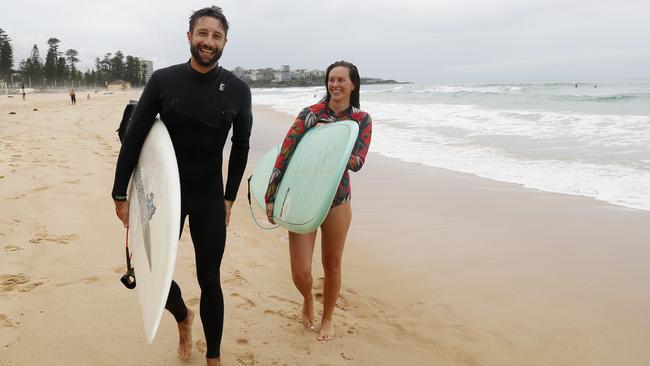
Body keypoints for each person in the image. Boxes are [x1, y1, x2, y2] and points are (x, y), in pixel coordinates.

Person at [111, 6, 252, 366]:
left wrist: (230, 197)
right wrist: (120, 193)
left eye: (216, 36)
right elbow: (135, 137)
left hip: (208, 195)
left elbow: (241, 145)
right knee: (148, 271)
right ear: (189, 36)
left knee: (210, 278)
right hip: (161, 194)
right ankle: (183, 318)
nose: (208, 42)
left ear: (225, 42)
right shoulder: (163, 81)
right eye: (202, 34)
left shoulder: (237, 90)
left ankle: (214, 358)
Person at [264, 61, 372, 341]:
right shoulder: (309, 115)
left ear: (353, 84)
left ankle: (327, 318)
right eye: (331, 80)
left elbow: (358, 161)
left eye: (341, 80)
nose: (335, 85)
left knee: (332, 263)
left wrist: (333, 146)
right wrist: (271, 197)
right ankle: (308, 299)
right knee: (300, 272)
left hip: (338, 198)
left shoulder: (360, 120)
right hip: (302, 195)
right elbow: (285, 154)